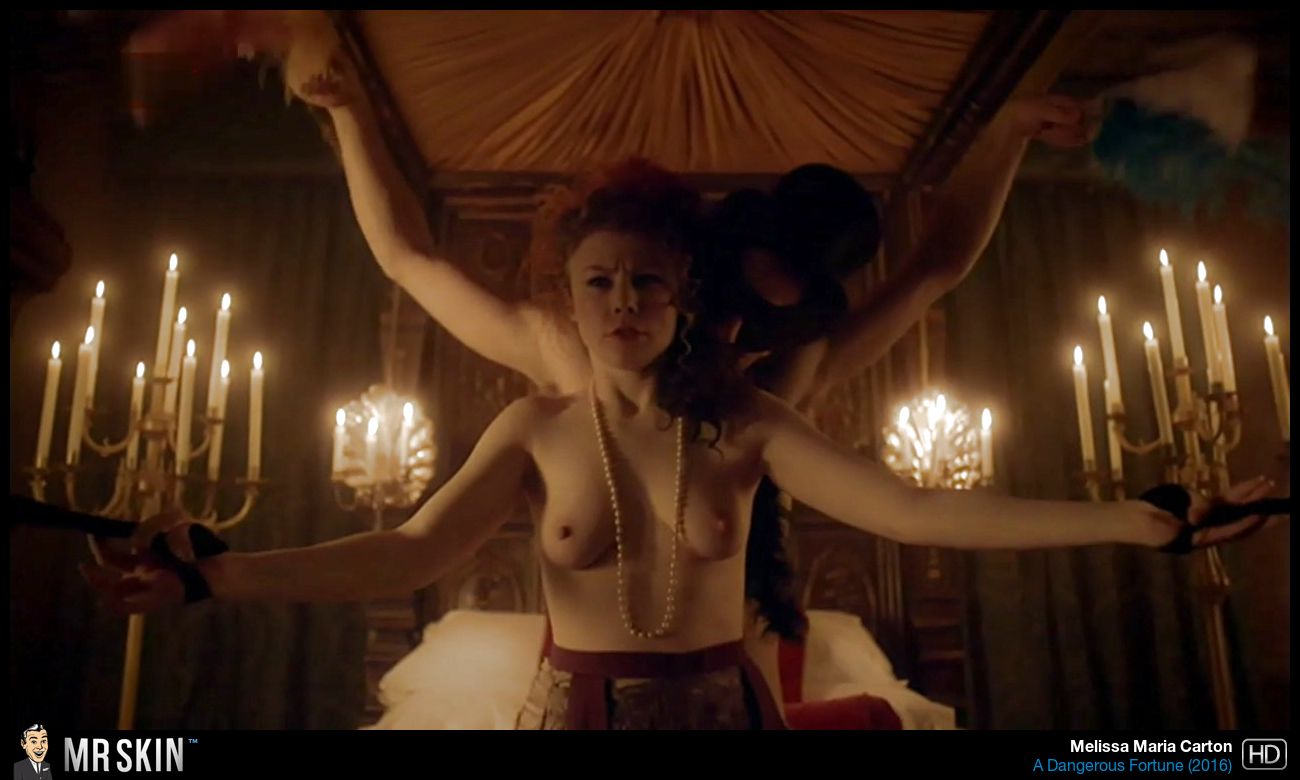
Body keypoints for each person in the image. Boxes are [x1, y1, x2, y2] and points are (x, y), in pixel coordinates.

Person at [81, 162, 1279, 730]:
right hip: (572, 715)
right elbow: (406, 550)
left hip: (726, 714)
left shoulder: (744, 424)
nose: (622, 304)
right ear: (570, 296)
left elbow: (914, 511)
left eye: (647, 282)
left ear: (681, 295)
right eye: (599, 282)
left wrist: (1139, 521)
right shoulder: (537, 427)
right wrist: (215, 575)